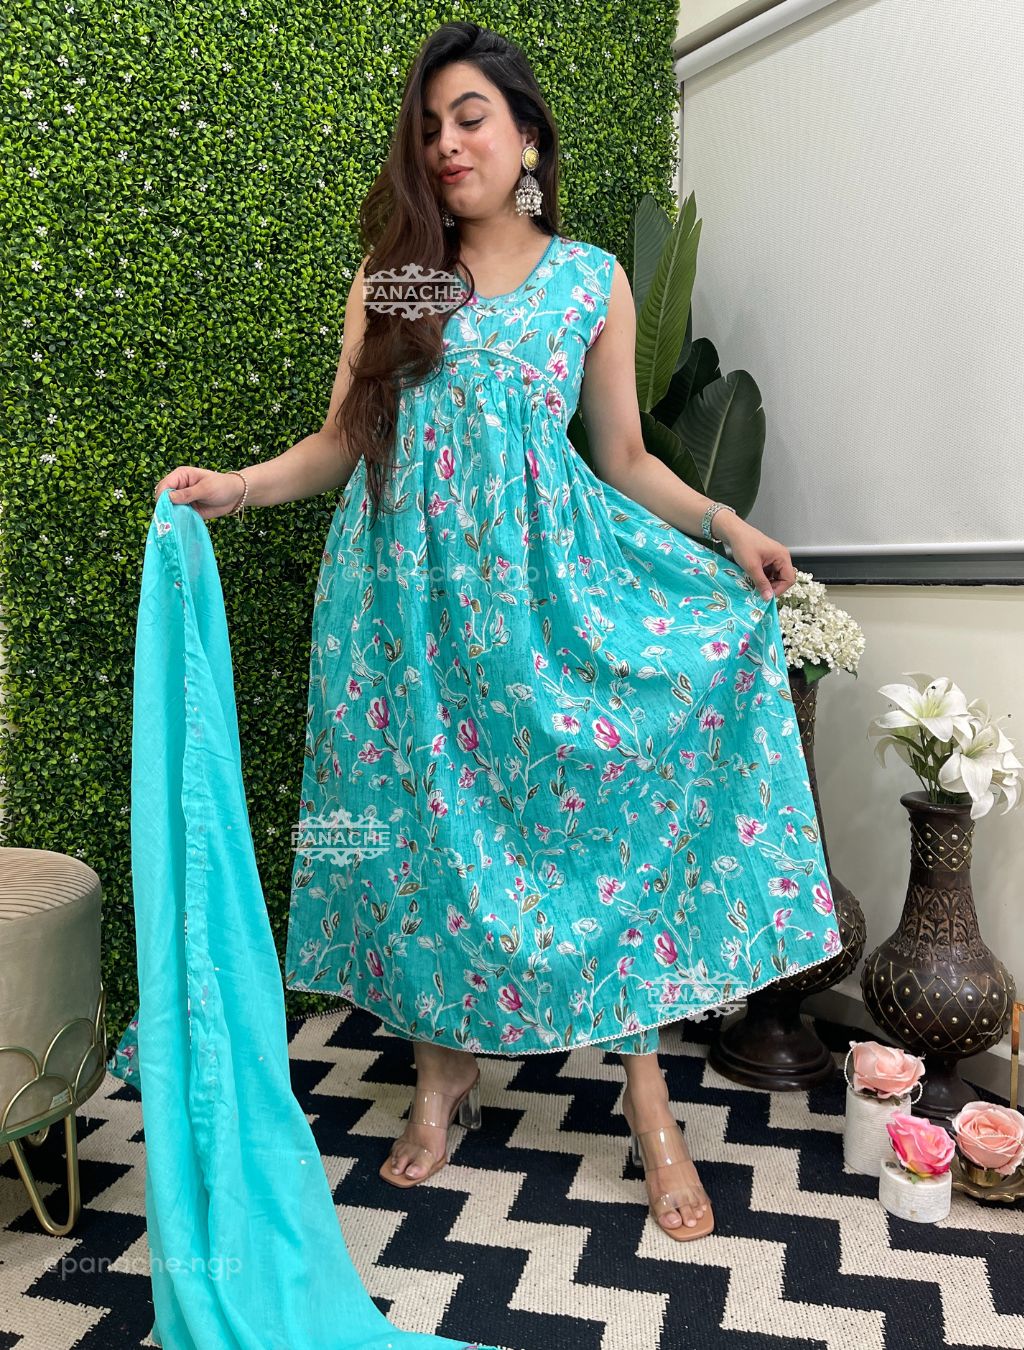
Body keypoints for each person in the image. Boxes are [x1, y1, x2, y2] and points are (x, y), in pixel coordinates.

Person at [154, 22, 841, 1244]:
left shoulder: (589, 279)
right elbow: (341, 444)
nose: (447, 143)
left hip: (546, 602)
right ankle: (440, 1079)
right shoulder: (401, 280)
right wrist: (239, 489)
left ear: (527, 137)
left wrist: (728, 526)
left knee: (601, 824)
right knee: (422, 835)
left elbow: (622, 457)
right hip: (399, 613)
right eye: (430, 126)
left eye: (471, 117)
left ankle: (649, 1104)